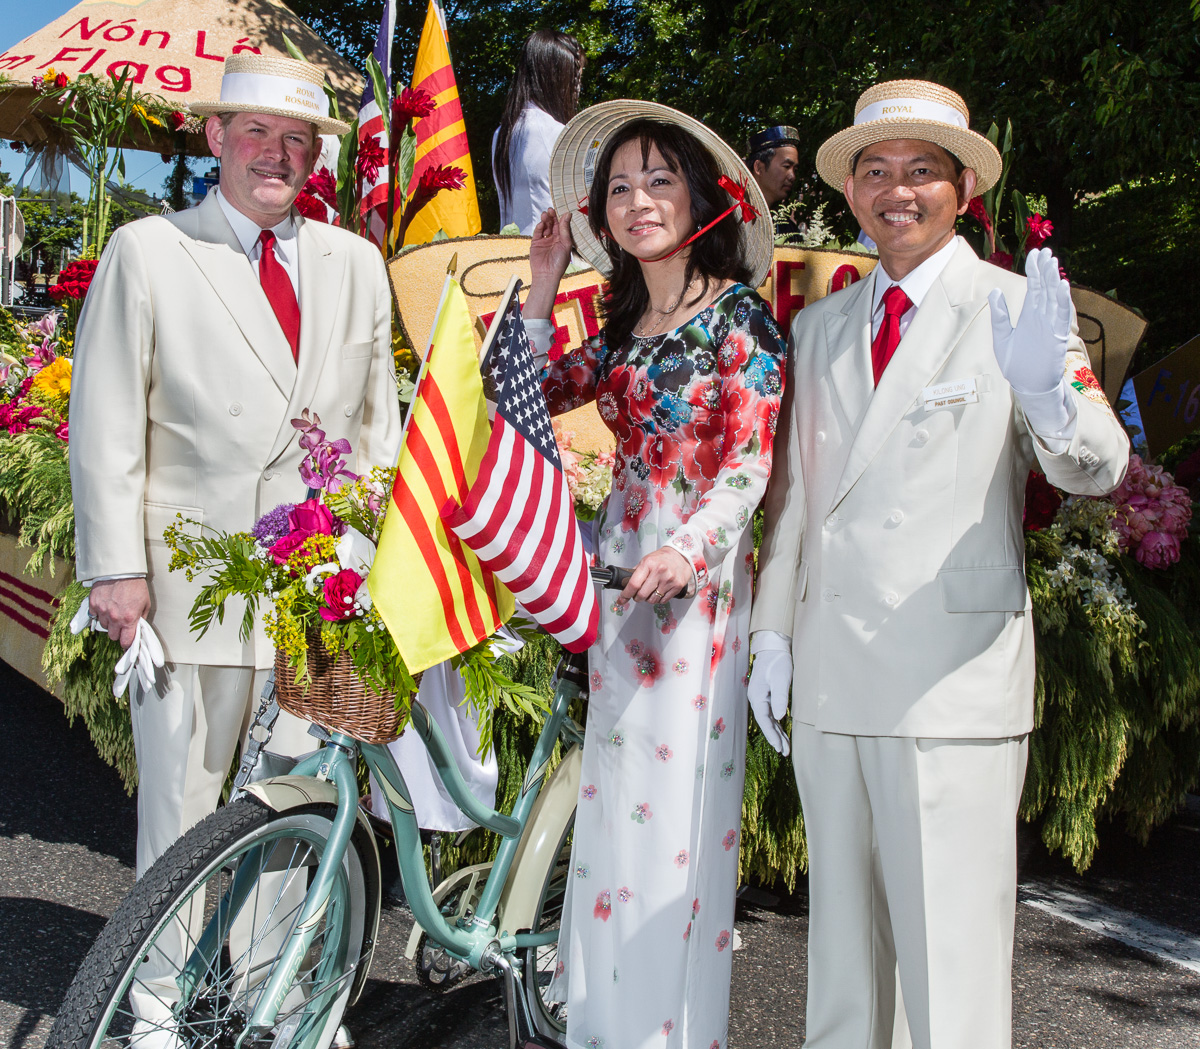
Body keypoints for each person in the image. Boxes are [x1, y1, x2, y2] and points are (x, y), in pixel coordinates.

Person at [747, 80, 1130, 1048]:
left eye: (921, 170)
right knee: (844, 960)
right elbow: (797, 494)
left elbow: (1098, 463)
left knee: (946, 967)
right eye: (875, 171)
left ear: (963, 187)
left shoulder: (1012, 307)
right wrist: (771, 632)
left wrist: (1048, 399)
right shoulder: (820, 326)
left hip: (949, 677)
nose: (896, 190)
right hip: (833, 669)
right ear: (850, 191)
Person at [69, 52, 402, 883]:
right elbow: (104, 422)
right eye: (256, 129)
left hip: (315, 599)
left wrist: (364, 557)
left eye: (297, 138)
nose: (276, 153)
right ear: (217, 135)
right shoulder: (149, 251)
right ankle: (151, 1002)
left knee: (295, 814)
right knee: (180, 815)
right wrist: (113, 568)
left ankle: (269, 1002)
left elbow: (374, 428)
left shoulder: (356, 263)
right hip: (188, 595)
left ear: (315, 157)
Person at [523, 100, 784, 1049]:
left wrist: (687, 550)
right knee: (612, 797)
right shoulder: (624, 318)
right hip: (615, 573)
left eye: (658, 181)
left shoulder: (743, 318)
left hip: (693, 585)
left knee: (672, 813)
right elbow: (524, 389)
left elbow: (749, 468)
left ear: (701, 199)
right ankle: (599, 1019)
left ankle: (664, 1032)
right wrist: (544, 283)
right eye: (620, 187)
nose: (637, 201)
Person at [491, 29, 584, 234]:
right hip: (551, 255)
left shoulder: (502, 133)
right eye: (576, 79)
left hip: (508, 250)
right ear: (560, 78)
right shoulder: (556, 133)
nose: (577, 90)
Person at [746, 124, 801, 210]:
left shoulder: (783, 222)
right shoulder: (730, 213)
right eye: (786, 166)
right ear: (758, 167)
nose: (792, 176)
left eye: (795, 169)